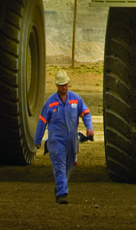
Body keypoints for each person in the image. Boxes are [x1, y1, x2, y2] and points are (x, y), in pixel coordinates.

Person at [35, 69, 94, 204]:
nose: (64, 87)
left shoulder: (76, 99)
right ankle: (62, 194)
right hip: (56, 141)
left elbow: (86, 113)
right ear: (56, 85)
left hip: (71, 141)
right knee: (59, 165)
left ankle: (60, 185)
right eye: (61, 85)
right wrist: (37, 140)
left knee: (69, 166)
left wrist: (89, 127)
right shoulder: (50, 102)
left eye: (66, 85)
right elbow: (42, 121)